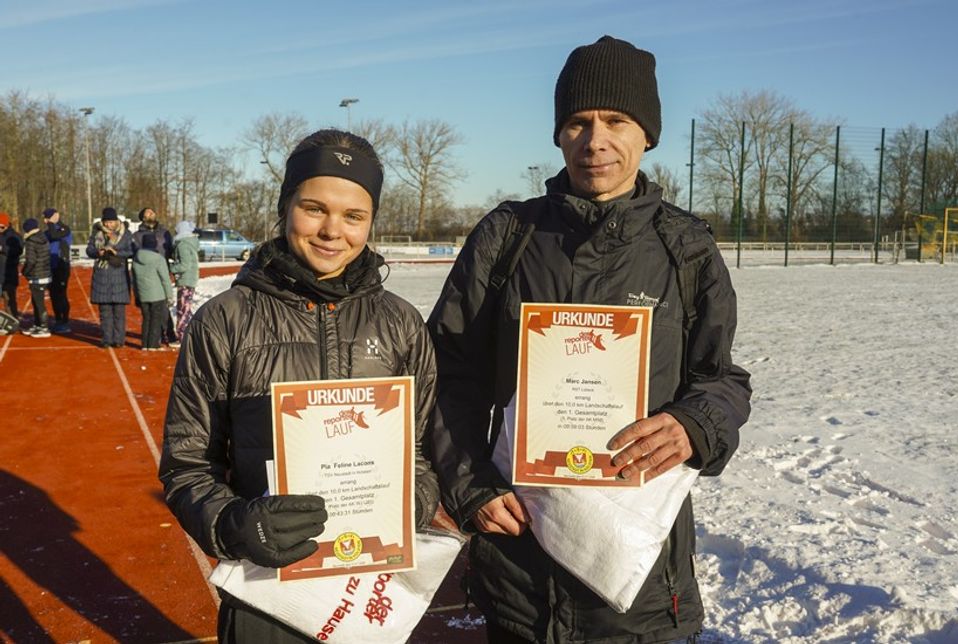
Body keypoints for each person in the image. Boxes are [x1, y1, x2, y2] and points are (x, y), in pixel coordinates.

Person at [428, 36, 752, 643]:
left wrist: (694, 425)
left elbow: (723, 380)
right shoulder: (507, 237)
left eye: (616, 121)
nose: (595, 140)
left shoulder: (686, 249)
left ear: (646, 135)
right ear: (558, 134)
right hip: (518, 564)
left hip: (639, 584)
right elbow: (447, 371)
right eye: (577, 122)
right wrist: (470, 486)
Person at [158, 128, 441, 643]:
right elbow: (187, 465)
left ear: (371, 221)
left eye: (354, 216)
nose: (333, 230)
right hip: (268, 592)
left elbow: (419, 454)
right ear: (286, 206)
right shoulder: (224, 321)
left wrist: (407, 508)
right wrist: (233, 525)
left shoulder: (401, 324)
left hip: (370, 586)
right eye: (314, 208)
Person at [86, 207, 134, 348]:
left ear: (116, 221)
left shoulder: (126, 234)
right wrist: (98, 252)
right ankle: (107, 339)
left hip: (119, 275)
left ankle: (119, 340)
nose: (108, 225)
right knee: (105, 311)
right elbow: (89, 250)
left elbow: (131, 251)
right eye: (106, 222)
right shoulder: (96, 233)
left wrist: (116, 252)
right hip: (102, 276)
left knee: (119, 311)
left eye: (111, 222)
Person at [133, 207, 177, 345]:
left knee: (164, 308)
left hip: (162, 270)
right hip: (147, 275)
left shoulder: (164, 232)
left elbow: (170, 250)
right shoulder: (137, 235)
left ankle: (169, 335)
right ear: (143, 217)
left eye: (153, 211)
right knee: (151, 310)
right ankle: (152, 338)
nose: (152, 213)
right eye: (147, 212)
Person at [168, 220, 199, 345]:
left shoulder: (183, 245)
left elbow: (184, 264)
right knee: (186, 308)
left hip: (186, 279)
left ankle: (182, 337)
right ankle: (187, 334)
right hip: (189, 278)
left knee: (183, 309)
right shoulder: (190, 243)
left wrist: (171, 268)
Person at [20, 218, 52, 338]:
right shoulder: (43, 238)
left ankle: (43, 327)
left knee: (38, 303)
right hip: (45, 274)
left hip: (36, 275)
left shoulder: (31, 241)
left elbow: (31, 261)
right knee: (37, 301)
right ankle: (38, 324)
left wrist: (25, 272)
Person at [43, 208, 73, 333]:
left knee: (61, 294)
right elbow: (49, 237)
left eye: (47, 217)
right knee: (54, 295)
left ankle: (65, 321)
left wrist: (52, 222)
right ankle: (58, 320)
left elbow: (56, 235)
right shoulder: (47, 232)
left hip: (62, 266)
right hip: (51, 267)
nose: (45, 220)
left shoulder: (65, 229)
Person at [0, 212, 23, 321]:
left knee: (9, 299)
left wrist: (2, 249)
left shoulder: (15, 236)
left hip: (8, 273)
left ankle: (13, 320)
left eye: (1, 226)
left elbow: (18, 250)